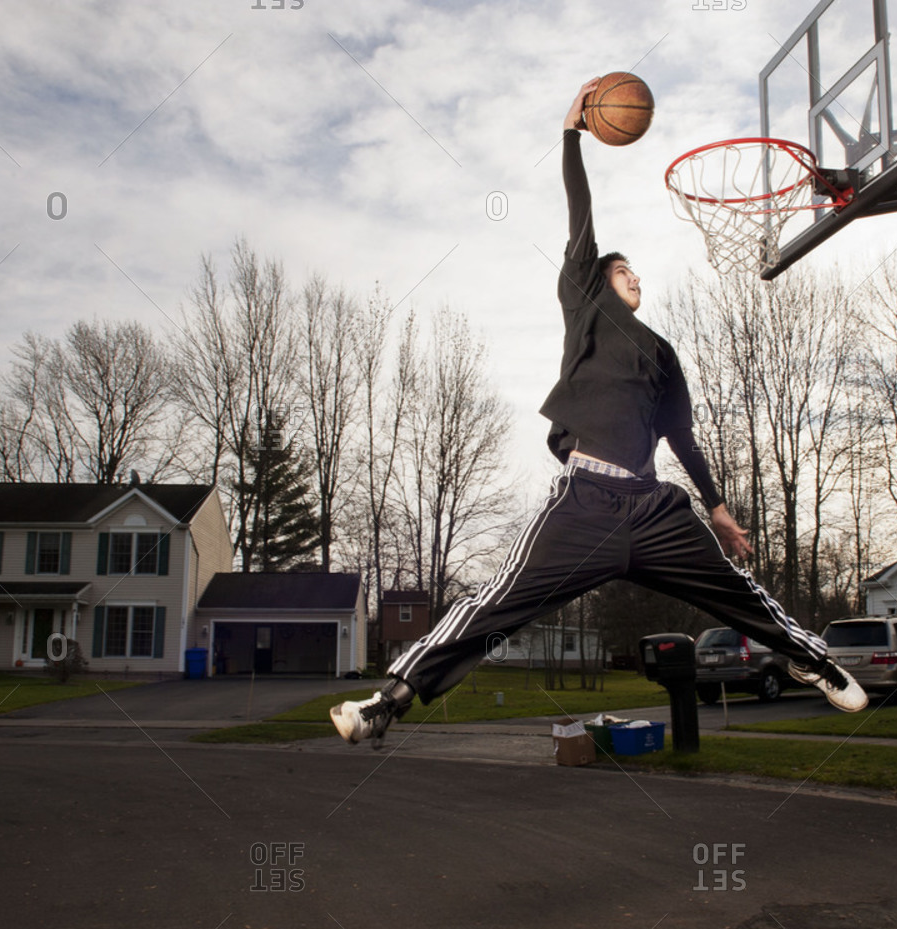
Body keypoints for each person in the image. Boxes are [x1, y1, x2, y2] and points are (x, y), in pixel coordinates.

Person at [331, 79, 866, 745]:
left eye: (637, 271)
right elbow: (580, 214)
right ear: (596, 280)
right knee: (498, 603)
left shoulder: (663, 354)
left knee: (735, 591)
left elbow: (682, 437)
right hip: (584, 503)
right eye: (623, 270)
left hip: (653, 507)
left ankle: (816, 662)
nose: (634, 276)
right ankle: (388, 701)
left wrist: (718, 506)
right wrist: (570, 135)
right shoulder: (588, 305)